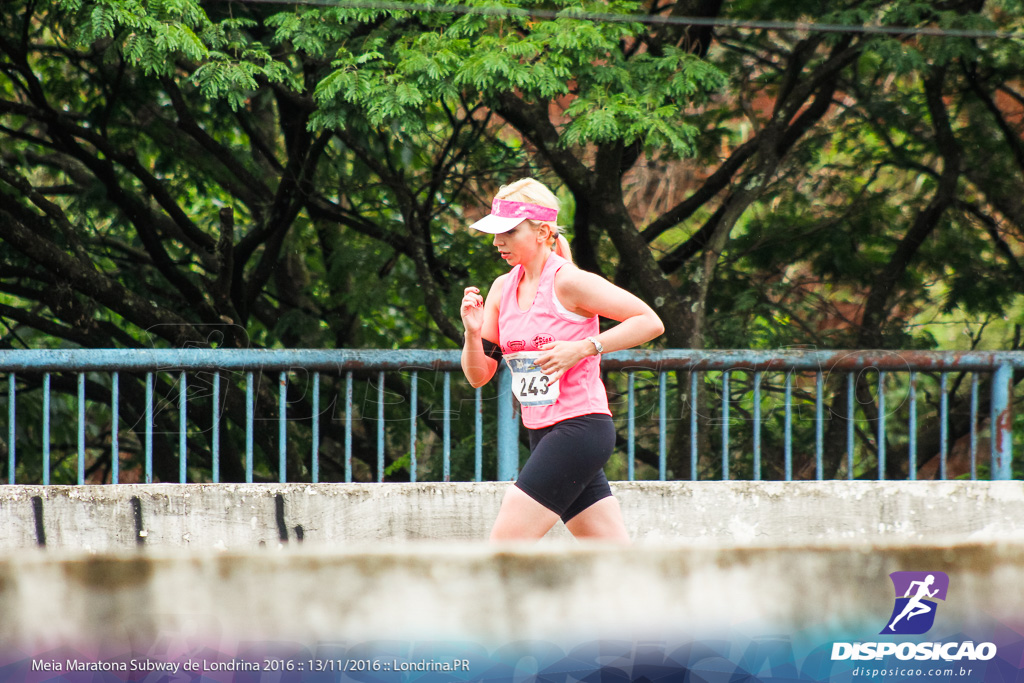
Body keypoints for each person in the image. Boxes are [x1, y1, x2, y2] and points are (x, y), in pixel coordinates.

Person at [460, 178, 665, 542]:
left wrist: (585, 347)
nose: (497, 242)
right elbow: (479, 376)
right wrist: (473, 333)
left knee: (503, 548)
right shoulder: (500, 289)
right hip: (541, 432)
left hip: (580, 428)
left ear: (542, 231)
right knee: (614, 561)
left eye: (508, 231)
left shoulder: (568, 281)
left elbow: (649, 321)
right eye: (495, 232)